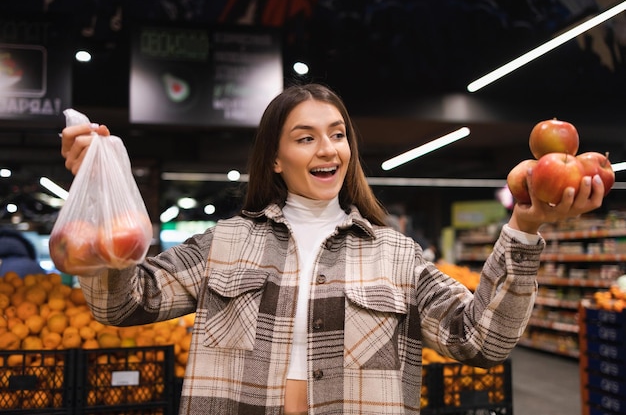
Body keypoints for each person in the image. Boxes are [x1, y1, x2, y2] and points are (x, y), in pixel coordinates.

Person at [59, 83, 604, 415]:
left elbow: (482, 340)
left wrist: (526, 226)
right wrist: (101, 195)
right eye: (305, 137)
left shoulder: (398, 256)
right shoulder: (223, 245)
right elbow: (121, 305)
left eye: (338, 134)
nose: (328, 149)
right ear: (274, 158)